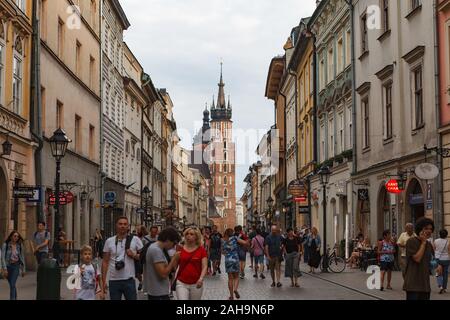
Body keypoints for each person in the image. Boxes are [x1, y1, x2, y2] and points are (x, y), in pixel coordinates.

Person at [101, 217, 143, 300]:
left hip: (129, 280)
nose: (122, 226)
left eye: (125, 224)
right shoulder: (109, 241)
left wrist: (134, 255)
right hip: (113, 280)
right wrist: (103, 281)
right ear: (116, 226)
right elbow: (105, 261)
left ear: (128, 226)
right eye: (120, 224)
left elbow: (144, 257)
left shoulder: (135, 239)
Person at [144, 227, 181, 300]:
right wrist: (174, 258)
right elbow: (163, 274)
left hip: (157, 291)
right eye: (174, 244)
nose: (173, 247)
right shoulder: (156, 250)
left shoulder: (157, 248)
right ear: (168, 240)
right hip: (158, 293)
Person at [403, 218, 435, 300]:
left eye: (431, 229)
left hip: (425, 285)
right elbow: (417, 258)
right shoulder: (411, 241)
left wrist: (438, 265)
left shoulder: (429, 244)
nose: (429, 231)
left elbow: (432, 261)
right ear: (420, 229)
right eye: (426, 228)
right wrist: (423, 243)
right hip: (413, 285)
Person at [175, 227, 208, 300]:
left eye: (191, 234)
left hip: (196, 283)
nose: (188, 236)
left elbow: (205, 266)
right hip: (181, 282)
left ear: (196, 237)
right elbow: (175, 265)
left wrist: (201, 279)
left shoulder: (201, 250)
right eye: (187, 234)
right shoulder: (180, 249)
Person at [222, 228, 247, 300]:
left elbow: (222, 251)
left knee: (230, 279)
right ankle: (235, 289)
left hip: (228, 260)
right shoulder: (235, 238)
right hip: (235, 259)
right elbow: (244, 243)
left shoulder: (223, 240)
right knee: (236, 277)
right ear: (232, 233)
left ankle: (231, 296)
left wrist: (227, 255)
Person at [1, 231, 26, 300]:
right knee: (12, 285)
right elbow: (2, 257)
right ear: (11, 236)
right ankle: (15, 297)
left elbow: (22, 257)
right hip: (8, 266)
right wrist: (5, 269)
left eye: (17, 236)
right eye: (14, 236)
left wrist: (23, 269)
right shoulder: (5, 245)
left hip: (16, 266)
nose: (16, 238)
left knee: (12, 284)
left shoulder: (20, 245)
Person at [434, 229, 450, 294]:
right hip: (446, 259)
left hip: (438, 259)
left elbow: (434, 249)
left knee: (438, 273)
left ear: (439, 234)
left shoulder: (435, 241)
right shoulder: (448, 242)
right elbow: (449, 251)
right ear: (446, 235)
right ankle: (444, 288)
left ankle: (440, 286)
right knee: (445, 274)